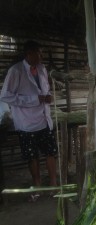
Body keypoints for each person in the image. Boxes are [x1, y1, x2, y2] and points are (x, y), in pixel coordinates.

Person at [0, 40, 58, 198]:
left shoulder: (41, 68)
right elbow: (5, 96)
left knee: (51, 152)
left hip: (44, 120)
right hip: (27, 123)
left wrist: (48, 97)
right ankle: (37, 186)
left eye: (41, 52)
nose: (41, 55)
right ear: (28, 54)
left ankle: (53, 184)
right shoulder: (16, 71)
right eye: (38, 52)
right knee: (32, 156)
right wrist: (34, 99)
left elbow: (45, 89)